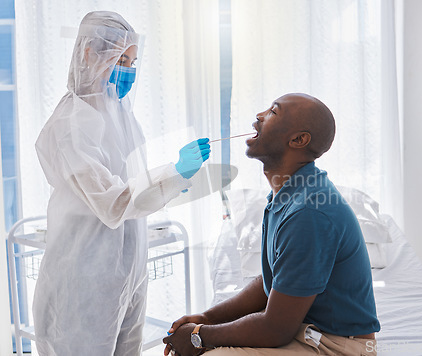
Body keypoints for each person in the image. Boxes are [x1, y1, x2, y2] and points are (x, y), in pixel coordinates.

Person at [33, 11, 210, 356]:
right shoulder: (72, 123)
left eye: (132, 60)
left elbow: (133, 185)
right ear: (88, 55)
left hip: (126, 271)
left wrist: (174, 180)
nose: (128, 70)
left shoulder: (121, 111)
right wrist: (174, 172)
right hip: (83, 278)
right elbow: (113, 201)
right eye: (120, 59)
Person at [163, 93, 380, 356]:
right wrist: (207, 318)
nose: (259, 116)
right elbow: (274, 283)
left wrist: (198, 337)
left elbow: (276, 328)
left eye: (273, 112)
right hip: (307, 331)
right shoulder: (288, 194)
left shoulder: (308, 211)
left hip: (336, 346)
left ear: (299, 140)